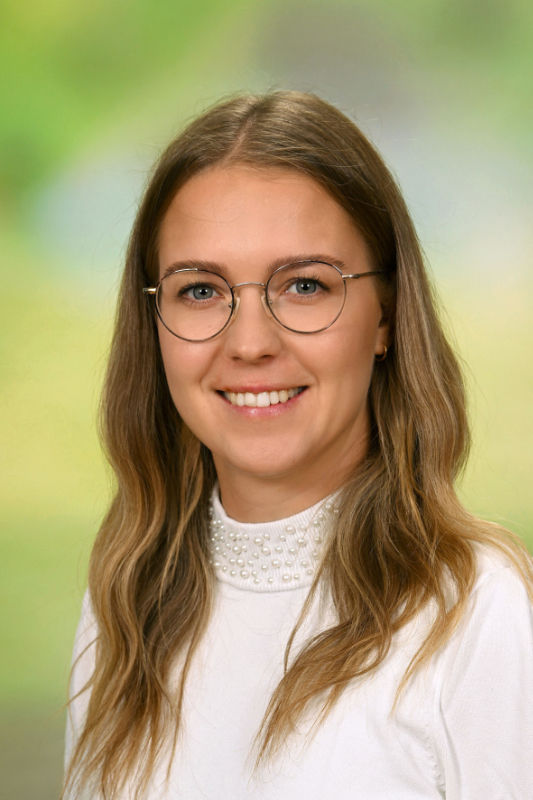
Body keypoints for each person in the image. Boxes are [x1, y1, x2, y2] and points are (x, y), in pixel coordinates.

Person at [63, 91, 533, 800]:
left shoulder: (476, 612)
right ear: (152, 322)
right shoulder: (125, 606)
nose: (250, 343)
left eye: (305, 285)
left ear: (386, 316)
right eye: (200, 291)